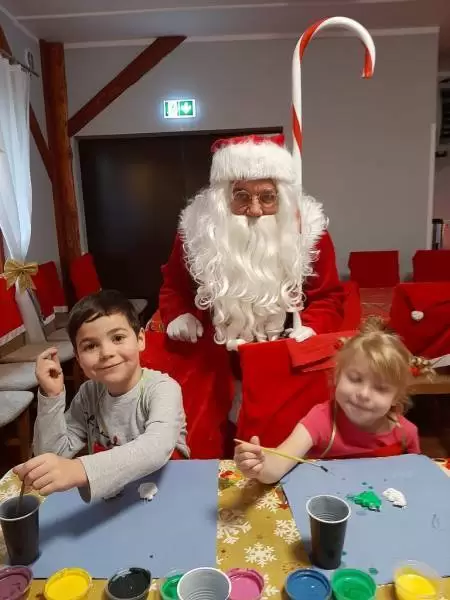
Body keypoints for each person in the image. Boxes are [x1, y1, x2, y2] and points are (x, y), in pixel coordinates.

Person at [142, 134, 345, 457]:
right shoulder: (196, 232)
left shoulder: (309, 233)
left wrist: (312, 326)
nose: (254, 210)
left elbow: (329, 296)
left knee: (276, 453)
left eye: (267, 197)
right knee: (210, 447)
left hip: (283, 361)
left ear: (281, 197)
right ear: (224, 197)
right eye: (241, 196)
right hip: (212, 364)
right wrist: (178, 313)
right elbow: (174, 286)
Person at [14, 290, 189, 502]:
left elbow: (157, 447)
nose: (106, 353)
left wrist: (79, 469)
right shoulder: (89, 394)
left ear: (140, 339)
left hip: (169, 494)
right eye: (91, 346)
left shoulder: (163, 388)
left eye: (118, 338)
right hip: (114, 501)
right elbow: (52, 454)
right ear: (78, 359)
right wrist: (52, 395)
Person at [234, 318, 434, 483]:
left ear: (396, 398)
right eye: (355, 379)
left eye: (380, 388)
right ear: (337, 377)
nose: (364, 394)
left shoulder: (406, 434)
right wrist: (260, 466)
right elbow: (276, 468)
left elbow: (414, 479)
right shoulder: (320, 421)